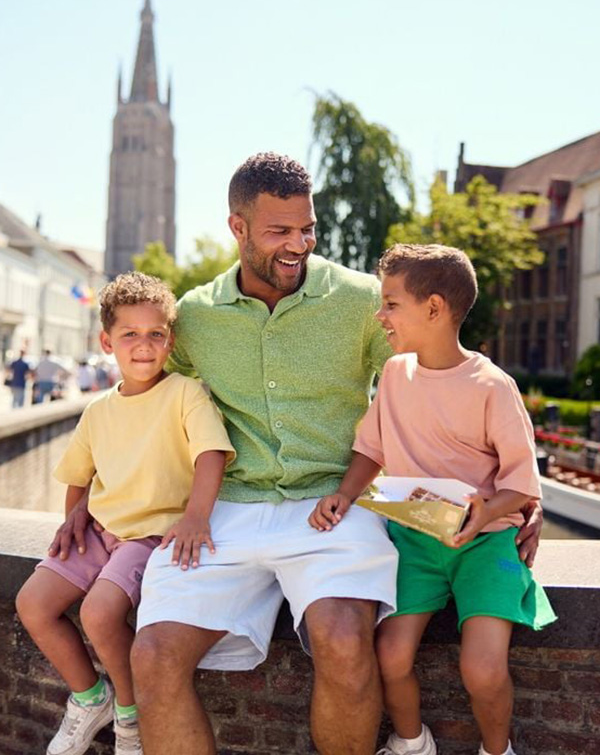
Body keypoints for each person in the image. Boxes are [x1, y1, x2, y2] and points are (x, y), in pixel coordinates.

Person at [50, 154, 543, 755]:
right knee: (151, 655)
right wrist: (88, 498)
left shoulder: (365, 302)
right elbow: (142, 400)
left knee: (343, 637)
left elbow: (441, 380)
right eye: (279, 231)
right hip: (226, 512)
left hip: (336, 504)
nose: (298, 244)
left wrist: (511, 499)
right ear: (237, 227)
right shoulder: (196, 317)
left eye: (306, 228)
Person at [309, 244, 556, 755]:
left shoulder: (493, 387)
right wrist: (343, 495)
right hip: (413, 539)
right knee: (391, 657)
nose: (381, 315)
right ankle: (411, 742)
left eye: (391, 303)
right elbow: (370, 450)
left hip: (484, 545)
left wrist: (488, 511)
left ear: (435, 308)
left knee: (482, 670)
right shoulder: (395, 376)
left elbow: (521, 482)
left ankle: (497, 750)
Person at [16, 273, 235, 755]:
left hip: (151, 535)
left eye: (155, 334)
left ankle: (130, 714)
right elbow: (79, 472)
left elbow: (211, 455)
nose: (143, 345)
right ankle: (90, 697)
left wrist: (197, 516)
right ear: (106, 341)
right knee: (32, 603)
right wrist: (73, 514)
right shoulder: (97, 410)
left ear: (170, 341)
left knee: (98, 612)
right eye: (129, 334)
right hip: (99, 529)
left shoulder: (184, 392)